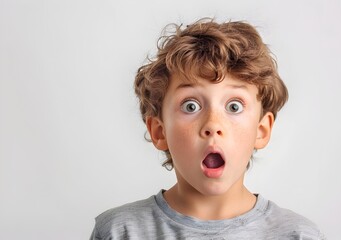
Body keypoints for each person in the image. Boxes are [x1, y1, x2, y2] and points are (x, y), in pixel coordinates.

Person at [90, 18, 325, 239]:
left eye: (234, 106)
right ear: (159, 132)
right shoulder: (119, 231)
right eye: (190, 105)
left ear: (261, 130)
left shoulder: (298, 235)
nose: (213, 125)